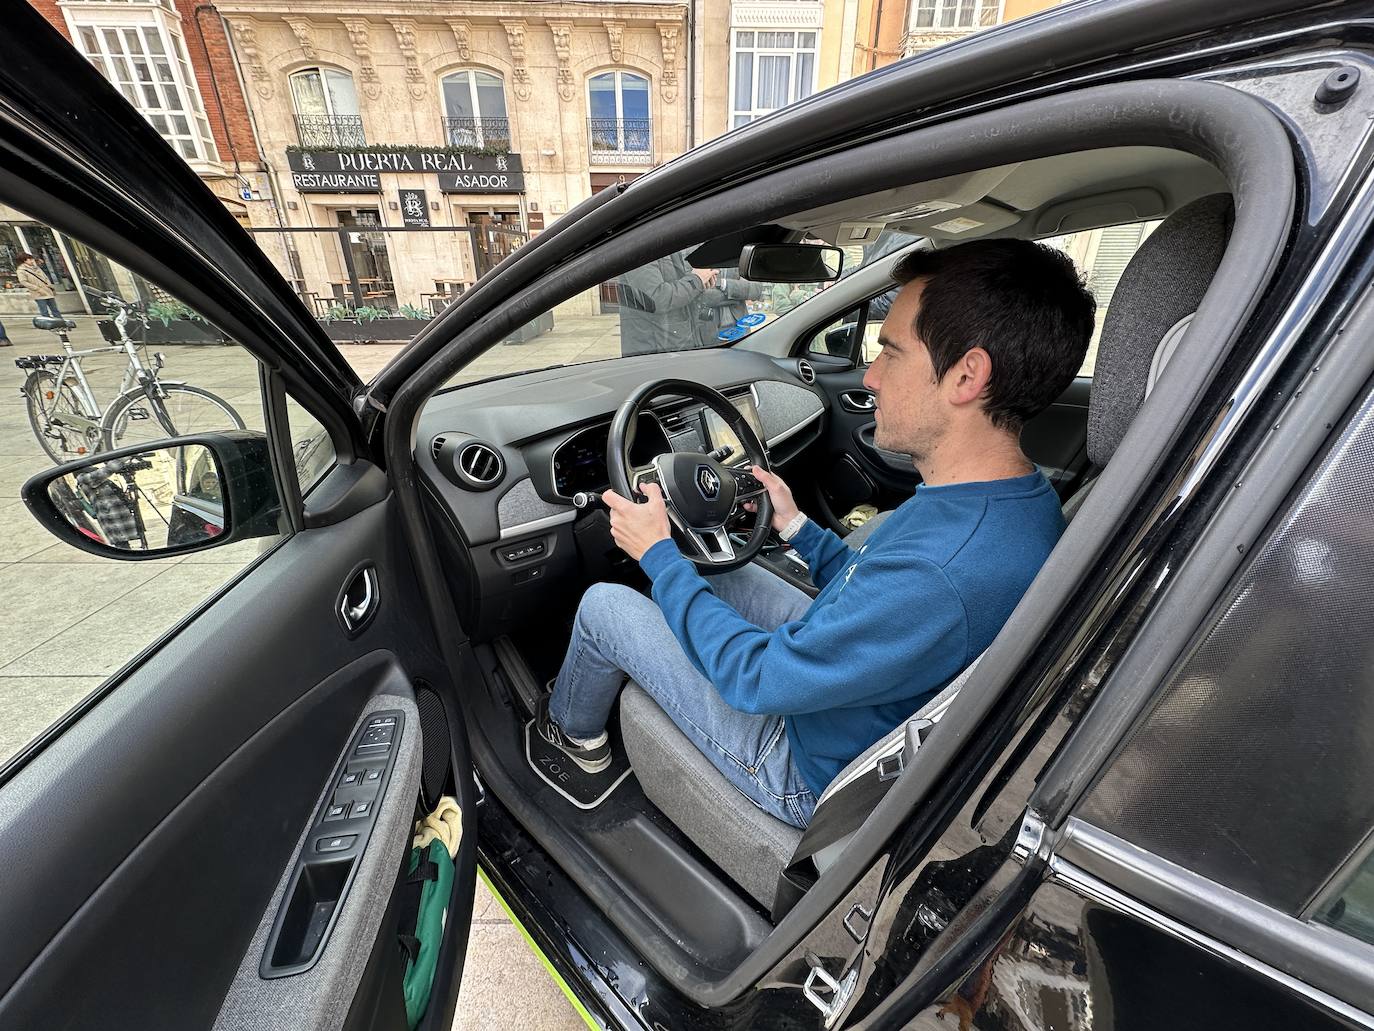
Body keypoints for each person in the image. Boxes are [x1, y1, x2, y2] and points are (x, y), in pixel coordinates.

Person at [538, 238, 1095, 828]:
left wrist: (656, 554)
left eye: (891, 352)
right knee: (717, 567)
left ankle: (571, 738)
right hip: (846, 698)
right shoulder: (1006, 501)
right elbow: (873, 588)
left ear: (966, 375)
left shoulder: (945, 569)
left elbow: (756, 679)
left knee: (604, 606)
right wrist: (797, 526)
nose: (872, 376)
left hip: (806, 768)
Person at [617, 250, 717, 355]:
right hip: (652, 352)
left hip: (676, 346)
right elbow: (656, 298)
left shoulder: (666, 244)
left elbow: (682, 290)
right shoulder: (640, 248)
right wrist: (696, 280)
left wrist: (703, 279)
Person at [17, 252, 59, 320]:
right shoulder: (21, 270)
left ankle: (60, 322)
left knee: (55, 309)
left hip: (47, 290)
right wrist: (37, 288)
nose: (32, 261)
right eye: (30, 259)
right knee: (44, 311)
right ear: (24, 261)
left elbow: (45, 277)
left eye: (32, 259)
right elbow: (23, 282)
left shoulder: (36, 268)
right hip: (38, 293)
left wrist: (49, 285)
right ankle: (49, 324)